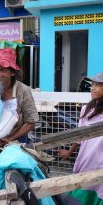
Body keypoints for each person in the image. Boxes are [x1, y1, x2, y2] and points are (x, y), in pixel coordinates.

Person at [0, 48, 39, 154]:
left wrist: (10, 138)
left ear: (12, 72)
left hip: (17, 143)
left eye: (2, 70)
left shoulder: (23, 90)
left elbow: (31, 122)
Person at [61, 72, 103, 204]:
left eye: (98, 85)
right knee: (80, 193)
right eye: (93, 84)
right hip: (86, 159)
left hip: (101, 162)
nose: (93, 87)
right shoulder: (87, 109)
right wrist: (69, 152)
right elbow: (80, 136)